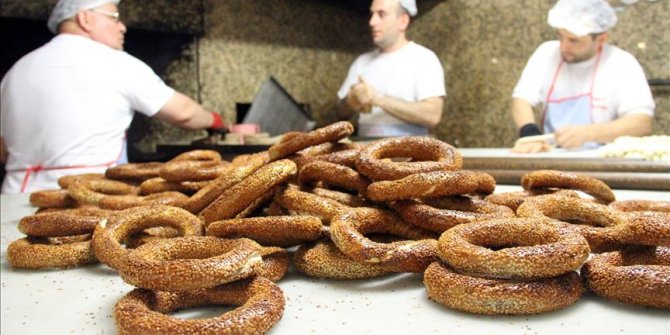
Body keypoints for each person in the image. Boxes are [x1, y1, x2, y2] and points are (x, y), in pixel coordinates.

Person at [0, 0, 228, 193]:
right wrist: (217, 122)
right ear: (85, 19)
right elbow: (184, 114)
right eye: (114, 17)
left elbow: (3, 149)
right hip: (83, 198)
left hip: (14, 195)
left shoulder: (16, 70)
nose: (122, 27)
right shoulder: (114, 62)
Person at [511, 0, 655, 153]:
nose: (564, 46)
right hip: (552, 158)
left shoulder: (621, 64)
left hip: (603, 162)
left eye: (574, 41)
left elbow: (641, 123)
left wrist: (589, 133)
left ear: (601, 39)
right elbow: (521, 99)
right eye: (561, 37)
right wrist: (530, 134)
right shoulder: (546, 53)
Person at [335, 0, 446, 138]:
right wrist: (351, 101)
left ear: (403, 21)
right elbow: (340, 112)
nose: (372, 22)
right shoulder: (361, 62)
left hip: (410, 152)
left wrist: (379, 99)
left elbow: (432, 115)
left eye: (381, 14)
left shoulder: (424, 59)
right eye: (372, 14)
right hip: (365, 148)